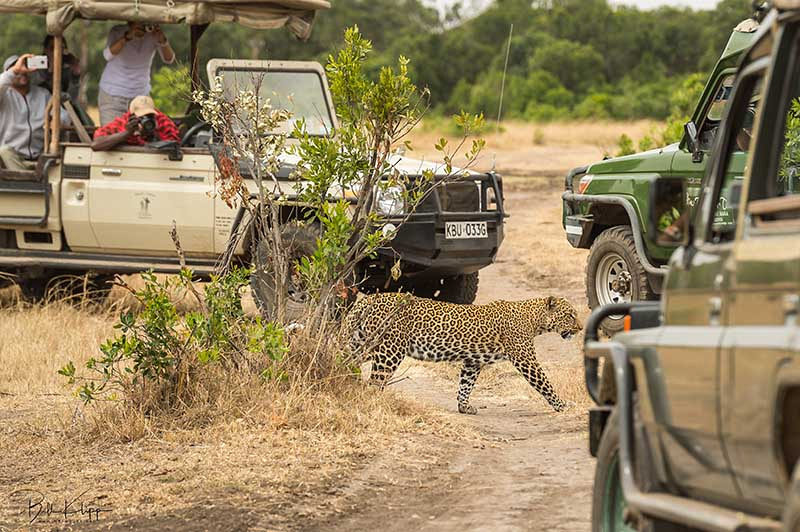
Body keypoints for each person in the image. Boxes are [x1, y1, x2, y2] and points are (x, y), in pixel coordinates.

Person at [0, 54, 70, 170]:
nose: (22, 72)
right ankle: (25, 184)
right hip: (11, 159)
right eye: (17, 70)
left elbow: (63, 115)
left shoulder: (42, 94)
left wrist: (58, 121)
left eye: (25, 68)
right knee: (4, 150)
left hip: (40, 157)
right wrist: (15, 70)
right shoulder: (4, 94)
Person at [97, 22, 175, 124]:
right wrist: (127, 37)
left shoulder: (152, 33)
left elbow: (169, 59)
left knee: (144, 135)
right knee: (111, 135)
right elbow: (108, 55)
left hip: (141, 96)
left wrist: (163, 41)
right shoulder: (118, 30)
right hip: (112, 95)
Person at [91, 95, 179, 151]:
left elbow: (175, 145)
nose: (146, 121)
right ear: (131, 115)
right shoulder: (123, 123)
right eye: (141, 118)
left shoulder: (162, 121)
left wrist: (154, 136)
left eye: (149, 115)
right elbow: (96, 144)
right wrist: (126, 133)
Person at [33, 35, 81, 102]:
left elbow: (72, 98)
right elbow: (35, 91)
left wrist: (75, 75)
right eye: (53, 48)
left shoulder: (67, 69)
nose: (57, 52)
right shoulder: (36, 67)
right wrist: (51, 70)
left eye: (61, 48)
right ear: (45, 50)